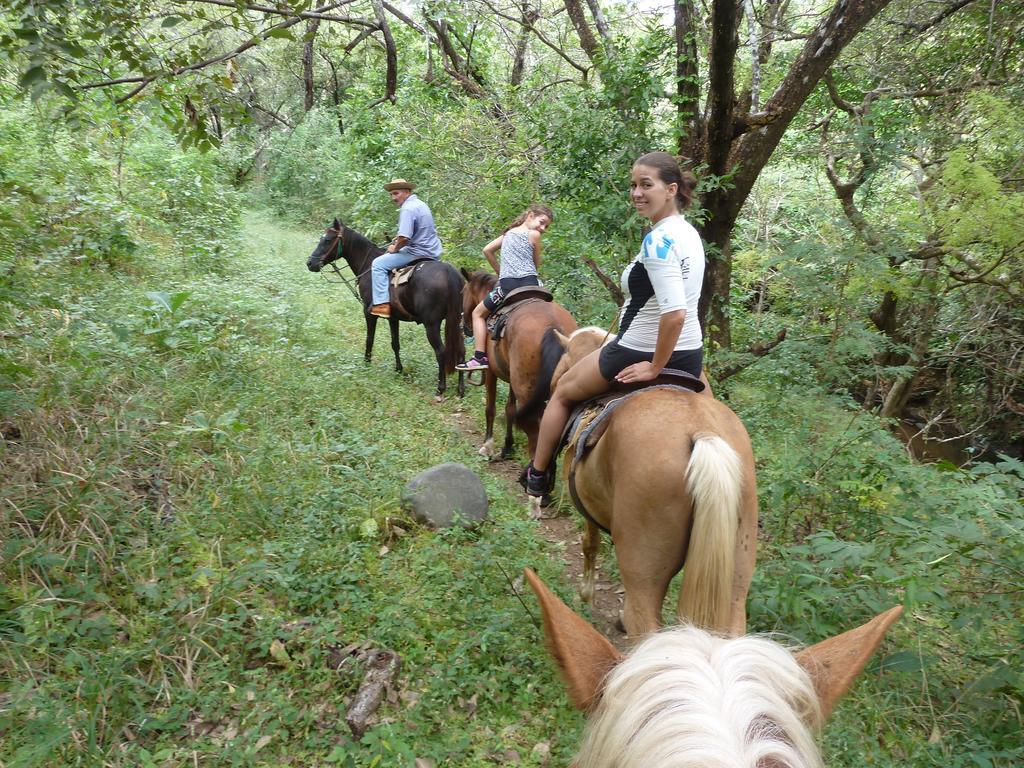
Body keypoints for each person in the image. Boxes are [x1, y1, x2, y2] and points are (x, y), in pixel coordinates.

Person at [524, 152, 705, 497]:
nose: (637, 193)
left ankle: (538, 474)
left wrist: (654, 366)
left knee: (562, 393)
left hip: (638, 349)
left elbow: (675, 312)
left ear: (671, 189)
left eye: (646, 185)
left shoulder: (658, 240)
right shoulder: (689, 233)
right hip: (691, 356)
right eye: (633, 185)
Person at [456, 204, 553, 371]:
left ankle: (479, 357)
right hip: (533, 284)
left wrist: (500, 272)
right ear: (530, 215)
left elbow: (487, 250)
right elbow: (536, 264)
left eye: (546, 226)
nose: (543, 228)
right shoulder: (534, 235)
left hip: (508, 287)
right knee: (551, 308)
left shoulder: (507, 234)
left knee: (477, 314)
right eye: (542, 222)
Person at [369, 179, 443, 318]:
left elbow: (404, 238)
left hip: (416, 252)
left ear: (407, 191)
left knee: (377, 264)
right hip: (433, 252)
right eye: (391, 194)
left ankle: (381, 305)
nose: (393, 198)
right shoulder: (421, 204)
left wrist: (395, 248)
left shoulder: (407, 208)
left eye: (396, 193)